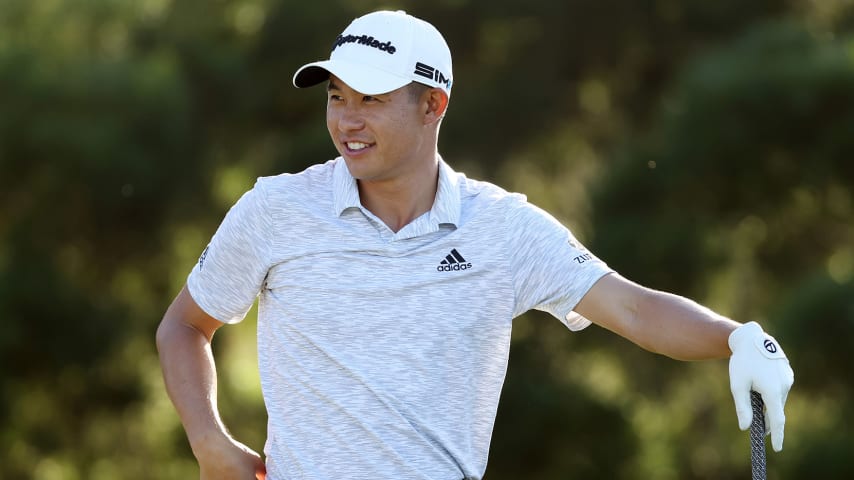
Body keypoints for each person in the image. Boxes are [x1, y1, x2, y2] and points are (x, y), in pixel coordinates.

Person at [156, 10, 794, 480]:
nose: (346, 120)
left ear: (433, 104)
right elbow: (184, 325)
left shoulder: (502, 228)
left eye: (371, 99)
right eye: (336, 96)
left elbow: (631, 308)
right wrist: (210, 442)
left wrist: (734, 336)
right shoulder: (276, 209)